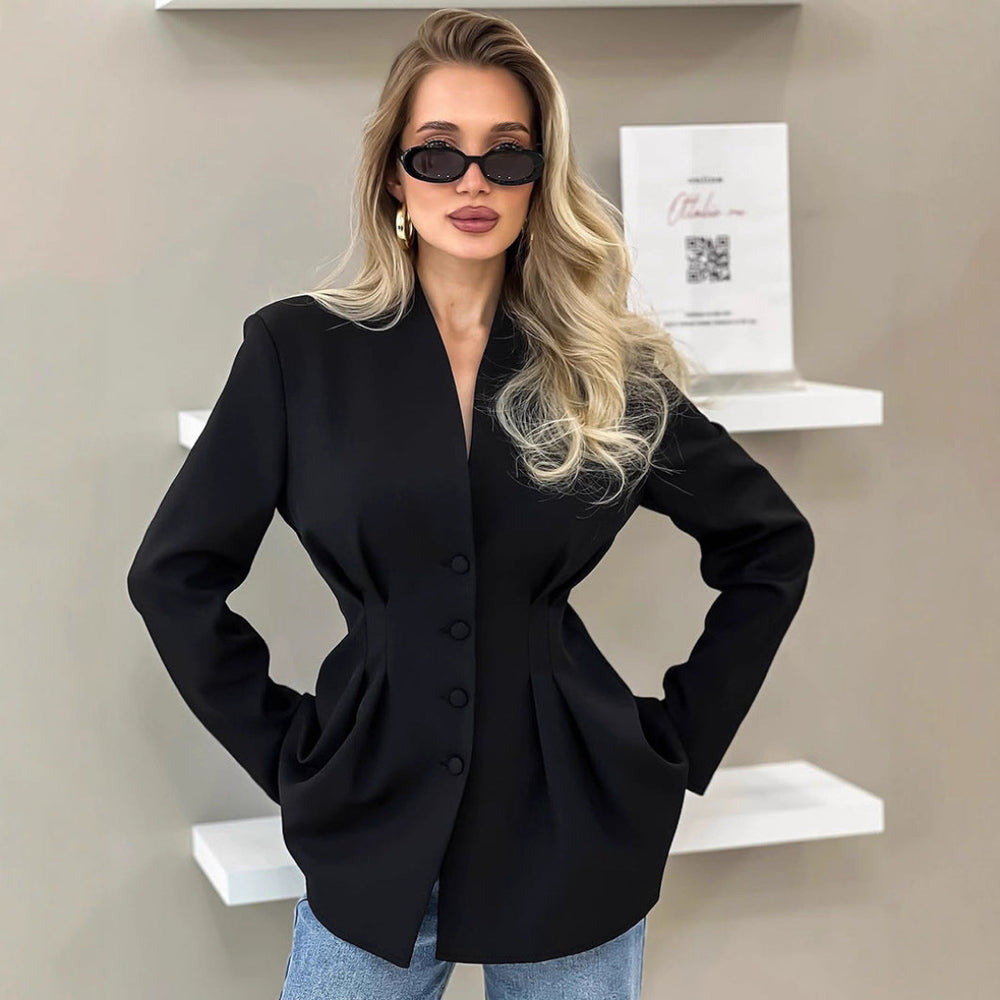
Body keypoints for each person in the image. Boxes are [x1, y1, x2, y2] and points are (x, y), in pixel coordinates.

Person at [126, 9, 815, 999]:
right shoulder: (296, 354)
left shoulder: (601, 367)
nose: (473, 182)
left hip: (573, 837)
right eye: (439, 153)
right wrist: (290, 755)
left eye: (507, 154)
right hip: (372, 829)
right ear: (393, 176)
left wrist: (676, 743)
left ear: (540, 175)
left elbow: (769, 543)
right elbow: (172, 576)